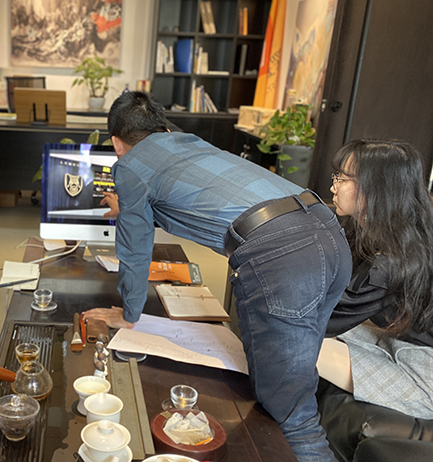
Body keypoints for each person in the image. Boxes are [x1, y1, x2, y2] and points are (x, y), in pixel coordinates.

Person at [82, 91, 352, 462]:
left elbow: (134, 248)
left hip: (282, 256)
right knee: (293, 380)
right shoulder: (187, 142)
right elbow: (196, 201)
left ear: (117, 143)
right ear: (163, 128)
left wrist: (128, 315)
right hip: (328, 232)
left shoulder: (130, 165)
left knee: (291, 413)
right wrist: (131, 206)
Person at [317, 139, 433, 418]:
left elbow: (328, 318)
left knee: (293, 343)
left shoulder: (395, 262)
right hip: (400, 342)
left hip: (424, 373)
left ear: (374, 189)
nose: (333, 186)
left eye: (343, 178)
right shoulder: (391, 233)